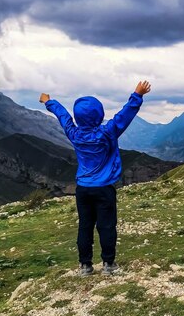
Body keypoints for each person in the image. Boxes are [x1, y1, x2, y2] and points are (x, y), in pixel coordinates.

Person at [39, 81, 152, 276]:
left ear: (78, 117)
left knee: (85, 226)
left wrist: (49, 102)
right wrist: (137, 95)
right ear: (99, 115)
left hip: (82, 188)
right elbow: (124, 116)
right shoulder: (107, 133)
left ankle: (85, 266)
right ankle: (108, 264)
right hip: (104, 188)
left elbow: (63, 116)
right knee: (106, 226)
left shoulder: (74, 133)